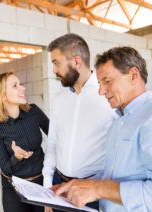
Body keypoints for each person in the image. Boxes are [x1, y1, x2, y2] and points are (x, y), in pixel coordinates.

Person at [53, 46, 152, 212]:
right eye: (99, 83)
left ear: (133, 75)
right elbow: (115, 177)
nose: (101, 91)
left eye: (107, 81)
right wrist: (76, 186)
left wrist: (97, 189)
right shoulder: (118, 123)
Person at [42, 33, 116, 211]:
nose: (54, 70)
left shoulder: (109, 96)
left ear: (76, 62)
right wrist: (47, 186)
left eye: (56, 63)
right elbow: (52, 143)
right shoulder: (59, 99)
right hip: (59, 186)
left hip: (91, 191)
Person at [0, 72, 49, 212]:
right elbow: (6, 167)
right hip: (14, 188)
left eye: (20, 84)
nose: (22, 88)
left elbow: (56, 137)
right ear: (1, 96)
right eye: (15, 86)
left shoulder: (34, 112)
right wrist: (17, 158)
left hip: (41, 183)